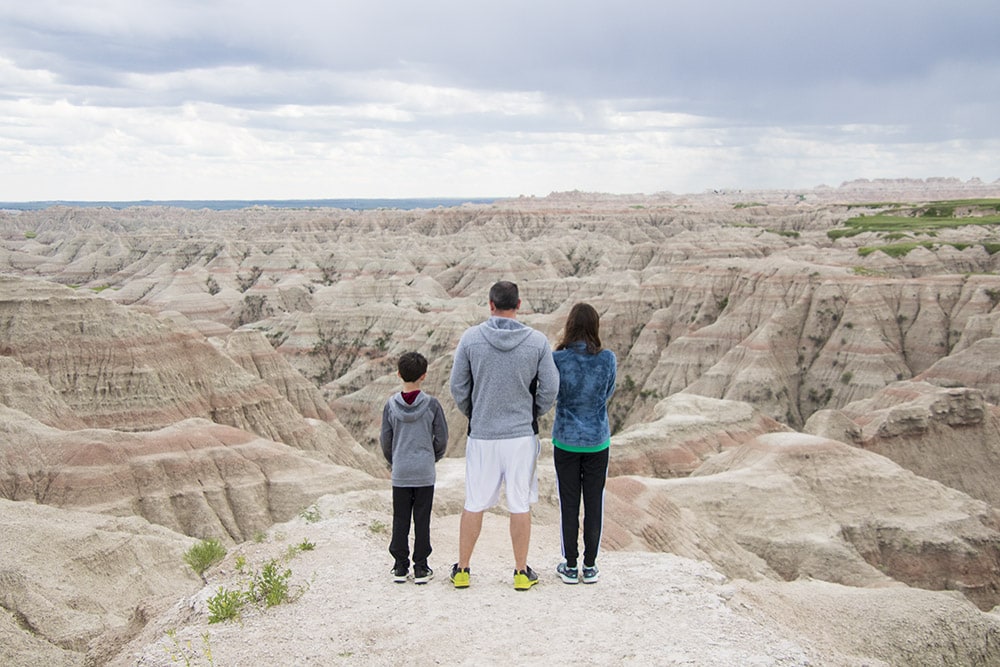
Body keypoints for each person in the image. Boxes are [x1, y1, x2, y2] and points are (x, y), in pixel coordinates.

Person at [449, 280, 559, 590]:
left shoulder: (471, 339)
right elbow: (550, 387)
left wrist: (476, 411)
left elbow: (457, 386)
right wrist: (531, 412)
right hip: (520, 436)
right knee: (519, 503)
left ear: (490, 304)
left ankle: (463, 570)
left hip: (482, 435)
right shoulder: (537, 342)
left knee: (474, 502)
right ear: (519, 305)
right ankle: (521, 573)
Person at [551, 303, 616, 584]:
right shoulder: (607, 359)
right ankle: (590, 566)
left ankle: (570, 563)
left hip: (565, 440)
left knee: (568, 503)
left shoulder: (558, 359)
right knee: (593, 503)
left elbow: (552, 393)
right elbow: (608, 391)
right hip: (596, 441)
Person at [380, 351, 448, 584]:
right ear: (424, 376)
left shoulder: (390, 405)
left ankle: (400, 567)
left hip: (401, 473)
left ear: (399, 374)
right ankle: (421, 567)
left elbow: (385, 441)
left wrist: (395, 460)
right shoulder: (432, 405)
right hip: (424, 473)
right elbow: (441, 438)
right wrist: (431, 458)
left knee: (400, 519)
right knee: (422, 519)